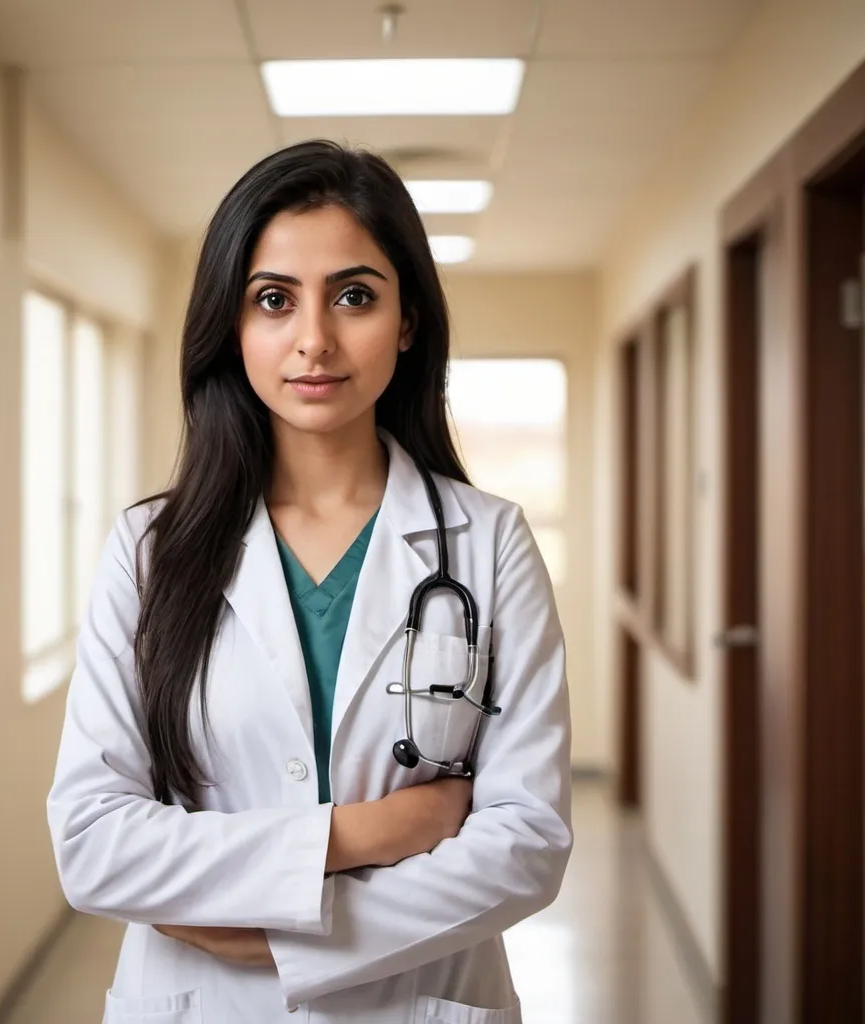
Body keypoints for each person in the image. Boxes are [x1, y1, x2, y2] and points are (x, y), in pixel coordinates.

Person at [47, 139, 572, 1024]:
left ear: (407, 321)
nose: (314, 340)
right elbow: (94, 842)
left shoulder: (490, 542)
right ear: (234, 323)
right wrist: (369, 833)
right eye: (274, 300)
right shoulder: (149, 548)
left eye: (355, 296)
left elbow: (525, 844)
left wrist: (276, 933)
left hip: (423, 1001)